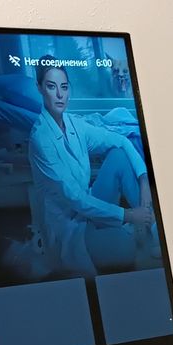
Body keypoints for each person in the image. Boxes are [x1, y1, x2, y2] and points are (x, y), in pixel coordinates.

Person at [28, 56, 155, 276]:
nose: (59, 94)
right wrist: (128, 215)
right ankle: (136, 224)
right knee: (125, 248)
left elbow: (121, 140)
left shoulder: (74, 124)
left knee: (118, 155)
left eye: (64, 87)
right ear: (39, 88)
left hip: (88, 209)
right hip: (69, 228)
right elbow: (75, 198)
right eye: (51, 86)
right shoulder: (41, 138)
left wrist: (144, 180)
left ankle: (152, 228)